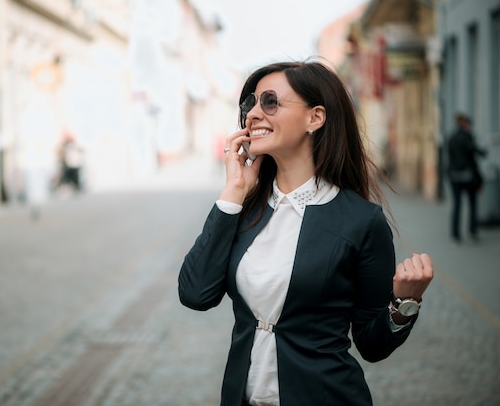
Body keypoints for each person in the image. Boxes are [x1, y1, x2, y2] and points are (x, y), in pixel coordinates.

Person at [178, 61, 434, 406]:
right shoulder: (245, 210)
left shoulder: (360, 221)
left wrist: (405, 302)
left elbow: (372, 346)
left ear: (315, 118)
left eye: (270, 102)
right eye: (249, 103)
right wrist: (232, 193)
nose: (253, 113)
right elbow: (195, 294)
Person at [447, 113, 487, 243]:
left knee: (457, 205)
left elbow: (449, 158)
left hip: (454, 176)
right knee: (472, 204)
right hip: (468, 176)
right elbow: (473, 153)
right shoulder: (467, 137)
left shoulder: (451, 138)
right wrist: (483, 152)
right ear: (465, 123)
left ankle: (455, 234)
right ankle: (472, 231)